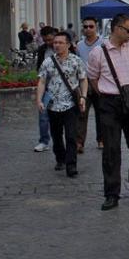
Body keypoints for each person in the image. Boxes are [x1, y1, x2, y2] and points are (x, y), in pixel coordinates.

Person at [86, 14, 129, 211]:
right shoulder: (98, 52)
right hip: (110, 102)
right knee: (111, 149)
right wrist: (105, 95)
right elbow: (93, 78)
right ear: (117, 29)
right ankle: (111, 194)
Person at [36, 31, 87, 177]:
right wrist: (39, 100)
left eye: (60, 43)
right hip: (53, 105)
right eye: (55, 43)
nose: (57, 45)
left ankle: (71, 165)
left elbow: (83, 79)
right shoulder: (48, 62)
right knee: (56, 135)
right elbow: (42, 82)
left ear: (68, 45)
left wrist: (83, 97)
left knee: (71, 135)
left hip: (70, 104)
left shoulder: (76, 61)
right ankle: (60, 158)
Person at [76, 17, 104, 153]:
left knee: (101, 113)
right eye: (85, 26)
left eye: (91, 26)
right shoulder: (79, 45)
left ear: (96, 27)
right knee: (81, 113)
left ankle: (101, 139)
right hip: (84, 83)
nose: (88, 29)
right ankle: (79, 142)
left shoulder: (103, 43)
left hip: (99, 82)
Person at [33, 26, 58, 152]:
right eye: (45, 40)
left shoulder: (65, 47)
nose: (48, 42)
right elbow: (39, 68)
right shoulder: (42, 49)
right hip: (47, 87)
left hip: (64, 88)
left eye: (50, 39)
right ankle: (44, 141)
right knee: (43, 115)